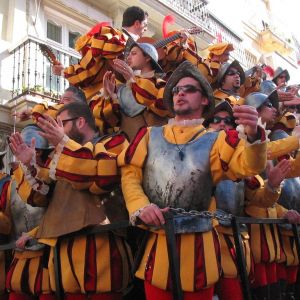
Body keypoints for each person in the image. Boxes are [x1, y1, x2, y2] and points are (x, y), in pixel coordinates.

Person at [119, 60, 268, 300]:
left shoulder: (217, 141)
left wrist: (254, 136)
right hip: (157, 246)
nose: (180, 93)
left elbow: (249, 165)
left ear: (205, 100)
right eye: (177, 90)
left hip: (200, 251)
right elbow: (130, 173)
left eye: (189, 89)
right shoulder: (149, 135)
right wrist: (139, 206)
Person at [9, 102, 132, 300]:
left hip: (102, 245)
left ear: (80, 121)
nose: (57, 130)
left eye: (61, 123)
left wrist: (64, 142)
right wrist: (29, 165)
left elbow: (102, 178)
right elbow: (40, 198)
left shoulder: (114, 142)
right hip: (62, 251)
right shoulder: (60, 156)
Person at [54, 6, 148, 100]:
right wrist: (64, 72)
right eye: (145, 24)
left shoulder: (132, 43)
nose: (146, 29)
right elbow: (88, 69)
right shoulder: (114, 37)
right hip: (105, 100)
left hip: (127, 99)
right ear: (137, 23)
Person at [95, 41, 171, 139]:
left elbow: (159, 107)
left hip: (151, 146)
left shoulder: (161, 85)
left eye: (134, 53)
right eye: (129, 54)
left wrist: (132, 80)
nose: (128, 57)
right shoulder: (121, 88)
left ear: (147, 57)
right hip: (126, 149)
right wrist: (109, 95)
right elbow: (111, 123)